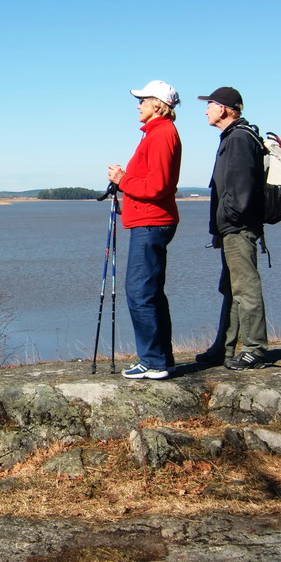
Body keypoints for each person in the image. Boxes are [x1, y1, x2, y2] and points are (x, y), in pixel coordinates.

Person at [107, 80, 182, 380]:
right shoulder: (156, 133)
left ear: (157, 105)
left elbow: (159, 185)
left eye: (142, 100)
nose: (138, 105)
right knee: (150, 292)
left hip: (152, 222)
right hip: (150, 220)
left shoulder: (162, 134)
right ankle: (161, 358)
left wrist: (123, 180)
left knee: (139, 291)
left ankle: (153, 361)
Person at [195, 86, 269, 370]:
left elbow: (239, 191)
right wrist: (218, 228)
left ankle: (255, 349)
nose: (206, 110)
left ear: (224, 108)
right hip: (231, 228)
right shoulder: (234, 136)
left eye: (210, 104)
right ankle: (222, 349)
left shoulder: (238, 138)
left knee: (245, 287)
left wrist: (228, 223)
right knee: (231, 288)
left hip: (238, 228)